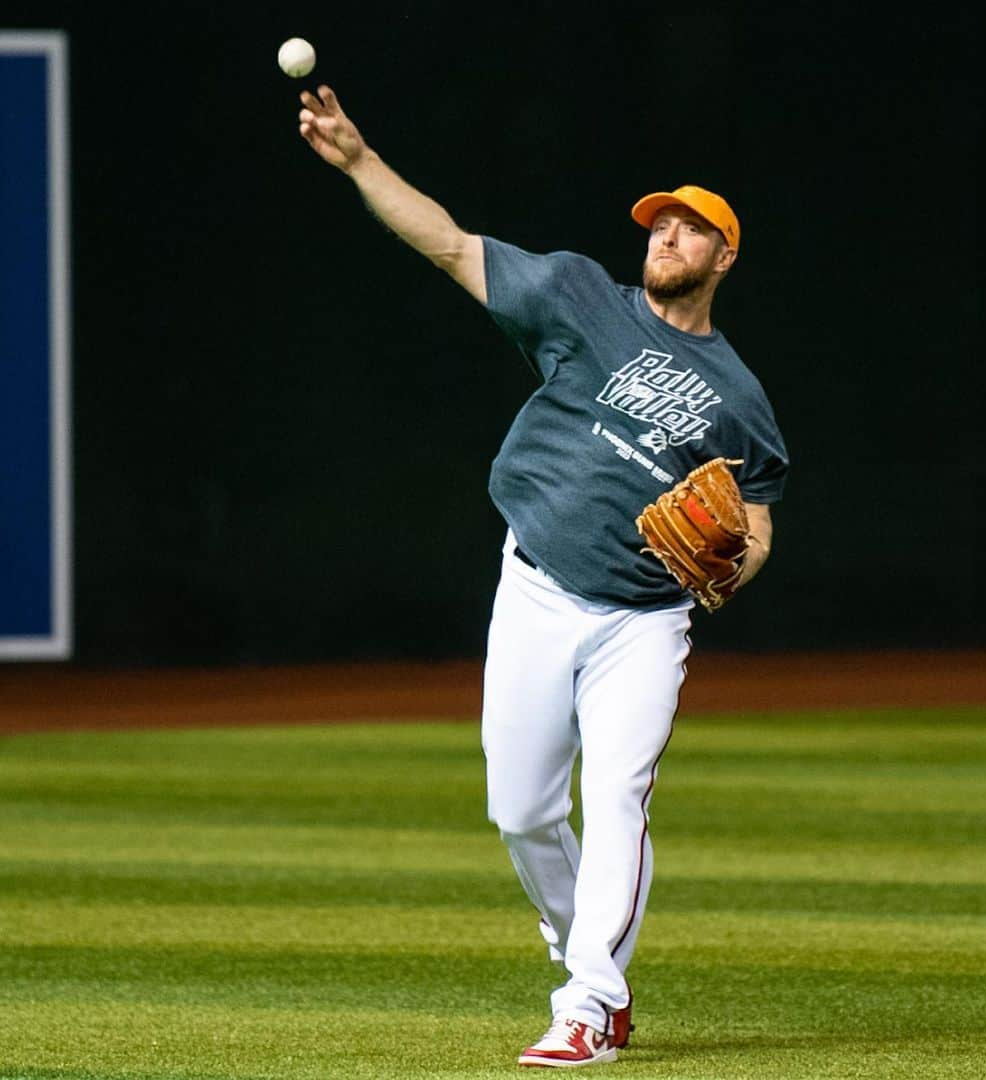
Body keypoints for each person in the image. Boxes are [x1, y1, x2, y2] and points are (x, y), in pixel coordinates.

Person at [298, 85, 789, 1069]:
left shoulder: (739, 396)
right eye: (661, 223)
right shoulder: (576, 297)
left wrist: (736, 561)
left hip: (643, 622)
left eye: (692, 229)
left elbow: (758, 516)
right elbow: (445, 242)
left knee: (614, 797)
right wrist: (359, 162)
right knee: (520, 811)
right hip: (533, 586)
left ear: (723, 258)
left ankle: (588, 1003)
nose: (670, 235)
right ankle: (586, 959)